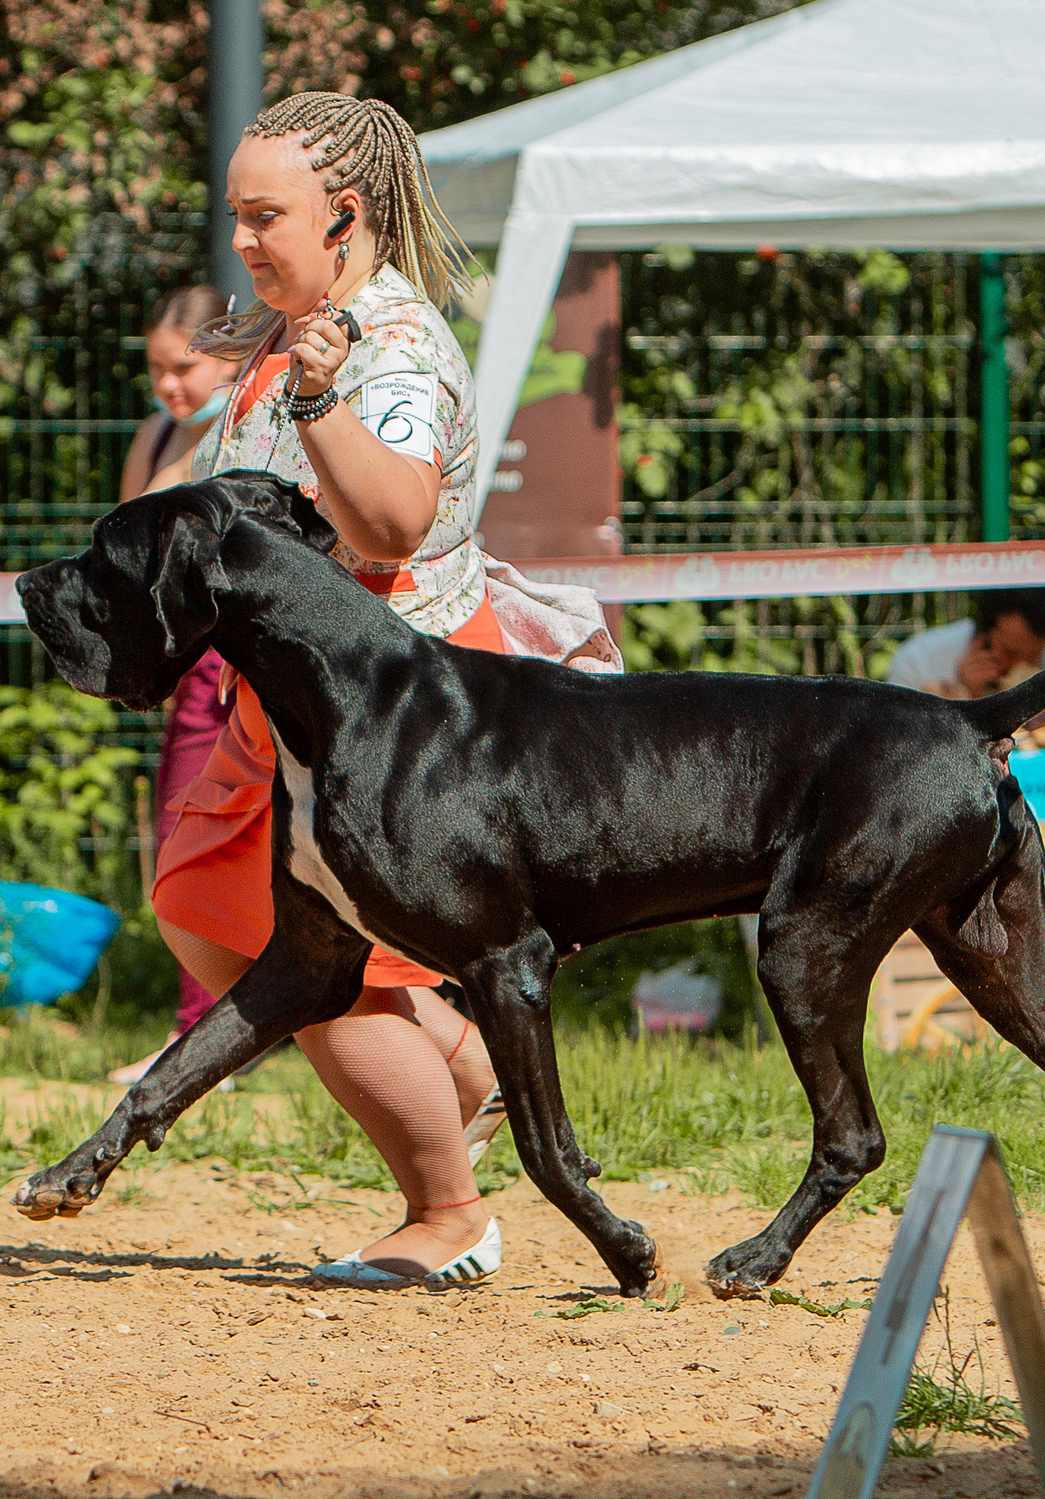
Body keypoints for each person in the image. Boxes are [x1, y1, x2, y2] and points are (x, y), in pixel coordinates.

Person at [148, 92, 614, 1286]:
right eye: (237, 215)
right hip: (303, 706)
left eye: (267, 217)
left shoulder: (386, 342)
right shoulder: (294, 325)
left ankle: (447, 1211)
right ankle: (471, 1073)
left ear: (345, 213)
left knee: (307, 963)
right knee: (205, 906)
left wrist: (314, 399)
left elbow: (394, 515)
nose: (242, 242)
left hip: (392, 716)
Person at [105, 284, 238, 1088]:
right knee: (185, 840)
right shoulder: (160, 431)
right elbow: (129, 536)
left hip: (238, 664)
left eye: (182, 369)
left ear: (223, 356)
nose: (167, 388)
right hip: (188, 666)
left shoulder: (242, 423)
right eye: (156, 370)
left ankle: (213, 1036)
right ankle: (203, 1030)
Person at [884, 587, 1045, 700]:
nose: (1019, 665)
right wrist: (967, 697)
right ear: (983, 631)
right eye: (1009, 652)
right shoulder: (919, 661)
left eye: (1033, 656)